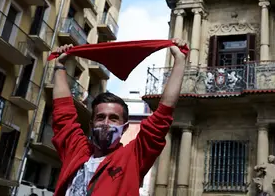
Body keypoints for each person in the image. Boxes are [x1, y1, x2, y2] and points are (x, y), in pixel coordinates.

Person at [51, 38, 187, 196]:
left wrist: (179, 61)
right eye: (100, 117)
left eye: (113, 118)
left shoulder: (133, 157)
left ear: (125, 127)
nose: (106, 123)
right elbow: (63, 115)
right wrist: (60, 66)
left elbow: (163, 114)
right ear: (91, 123)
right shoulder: (76, 151)